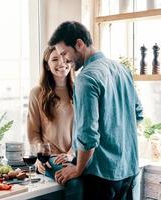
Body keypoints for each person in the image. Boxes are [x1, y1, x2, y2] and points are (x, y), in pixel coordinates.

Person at [49, 21, 143, 200]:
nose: (64, 60)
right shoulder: (122, 70)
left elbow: (88, 135)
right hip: (129, 170)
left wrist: (78, 168)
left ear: (79, 44)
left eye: (64, 53)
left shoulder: (86, 78)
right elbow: (138, 113)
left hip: (102, 176)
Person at [27, 46, 83, 200]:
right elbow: (33, 132)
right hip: (52, 157)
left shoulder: (80, 89)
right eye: (55, 59)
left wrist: (72, 153)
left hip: (76, 154)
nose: (61, 62)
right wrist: (40, 156)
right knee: (75, 183)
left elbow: (84, 128)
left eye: (65, 58)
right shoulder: (37, 93)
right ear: (47, 65)